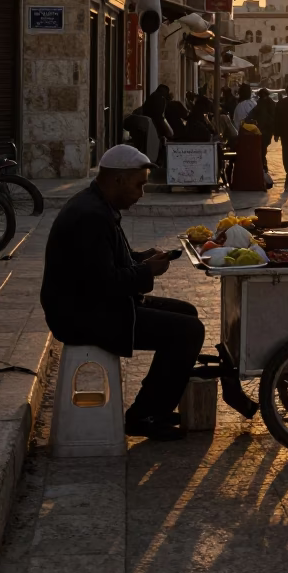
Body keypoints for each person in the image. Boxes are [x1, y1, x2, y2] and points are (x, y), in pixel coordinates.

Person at [40, 144, 205, 442]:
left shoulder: (99, 205)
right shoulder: (90, 216)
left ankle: (154, 404)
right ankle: (145, 416)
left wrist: (141, 258)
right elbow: (105, 283)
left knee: (186, 313)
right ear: (118, 179)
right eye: (138, 185)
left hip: (93, 304)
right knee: (189, 331)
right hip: (82, 315)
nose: (141, 193)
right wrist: (147, 272)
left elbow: (106, 264)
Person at [250, 88, 276, 170]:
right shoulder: (264, 103)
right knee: (263, 146)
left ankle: (262, 162)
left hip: (264, 129)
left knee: (262, 146)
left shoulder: (264, 103)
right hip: (265, 129)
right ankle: (263, 162)